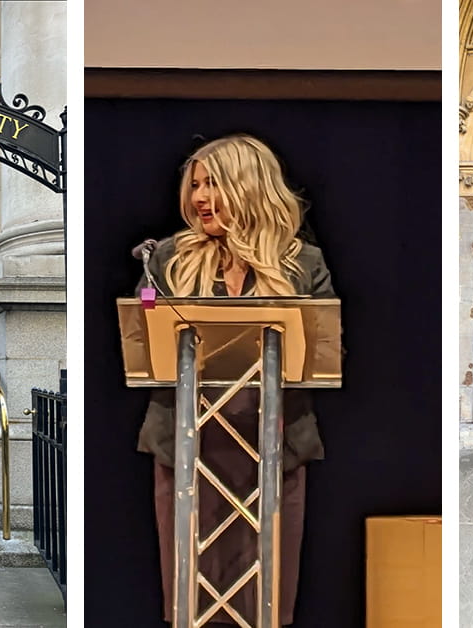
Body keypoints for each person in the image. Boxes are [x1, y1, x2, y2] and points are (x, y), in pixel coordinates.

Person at [136, 134, 335, 625]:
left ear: (250, 186)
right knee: (190, 599)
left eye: (213, 184)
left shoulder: (303, 263)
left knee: (264, 597)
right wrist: (145, 293)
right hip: (188, 448)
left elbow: (327, 354)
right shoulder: (169, 258)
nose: (199, 197)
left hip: (273, 448)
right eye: (195, 186)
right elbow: (142, 341)